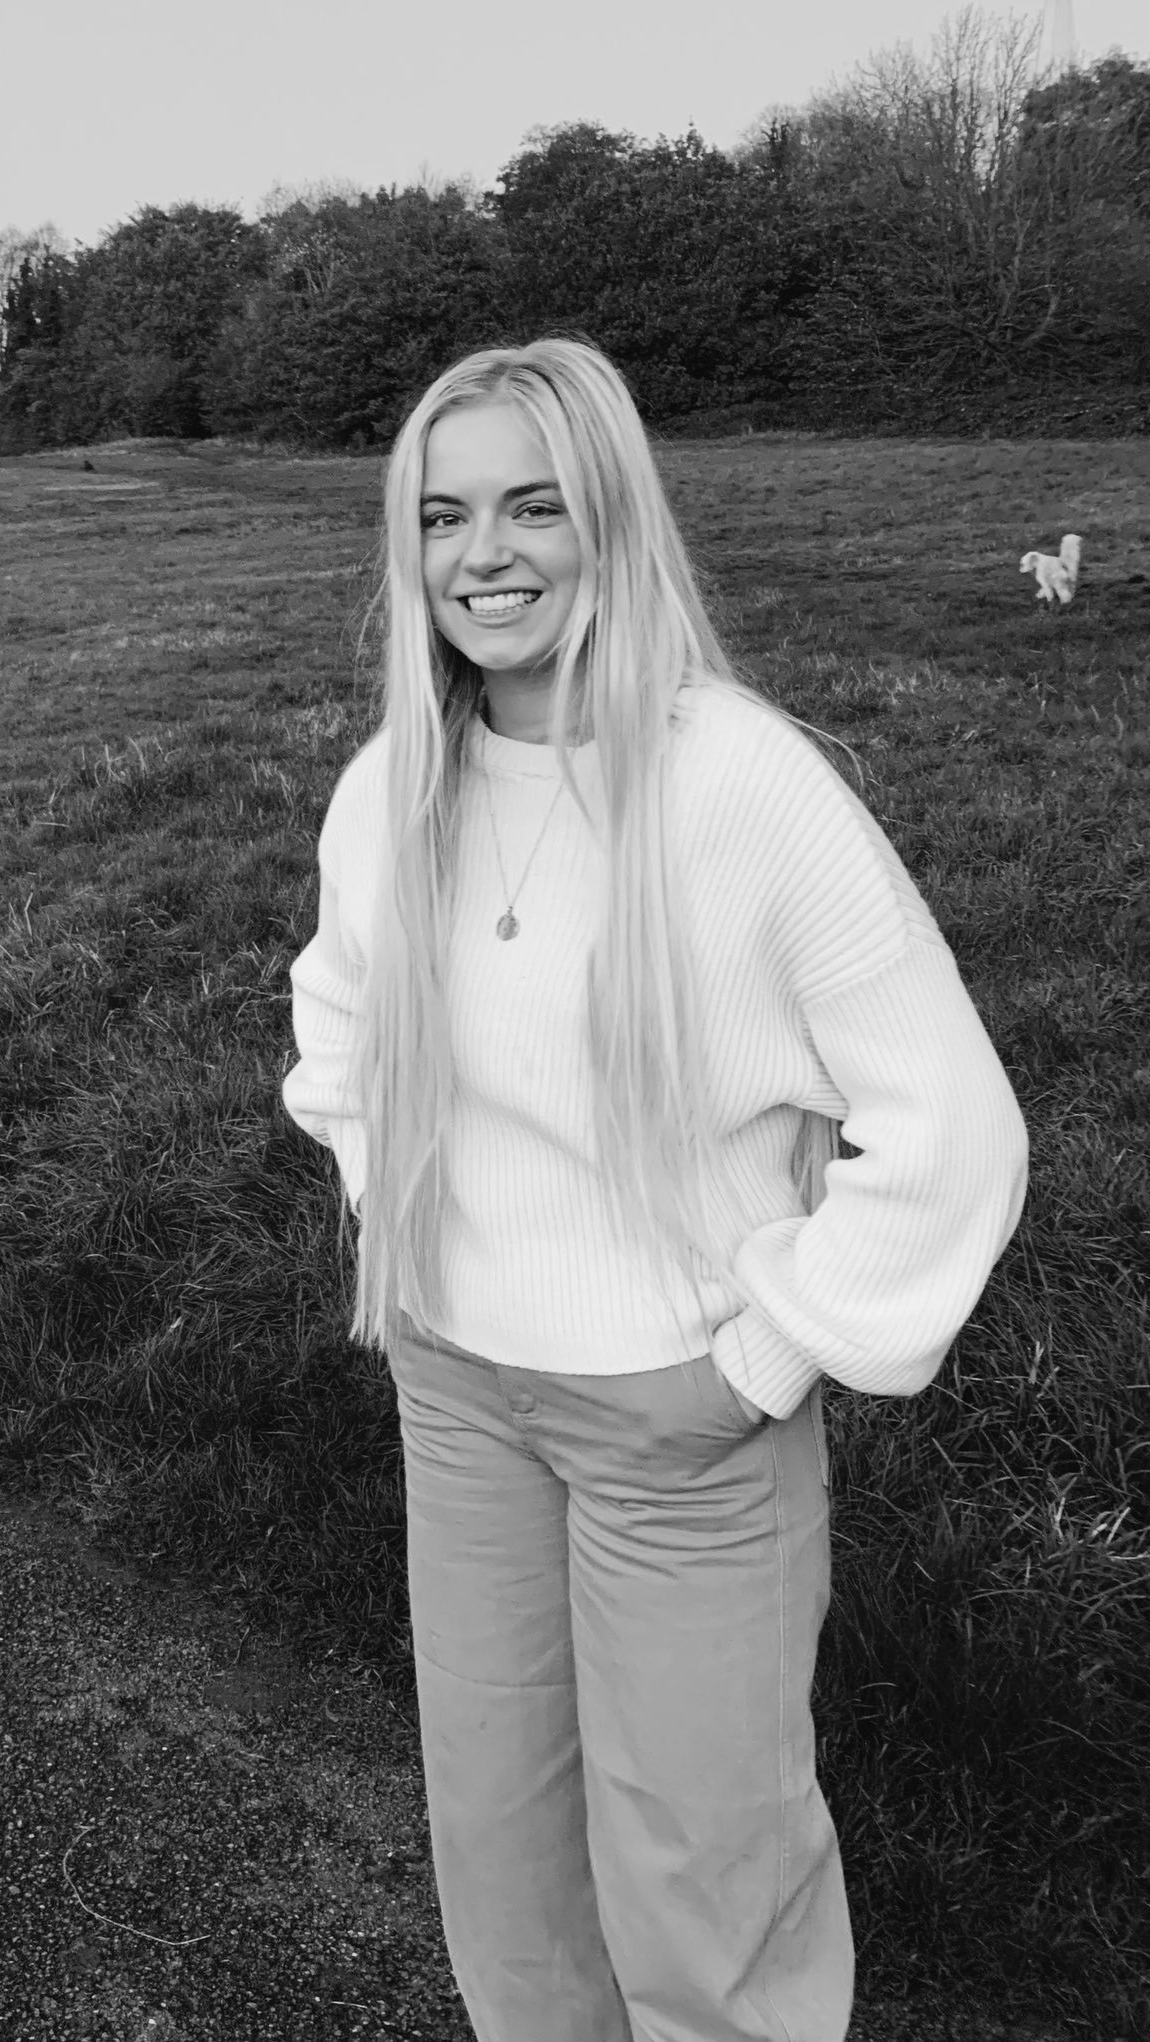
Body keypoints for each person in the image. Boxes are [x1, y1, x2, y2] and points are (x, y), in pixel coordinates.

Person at [281, 339, 1028, 2042]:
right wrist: (412, 1247)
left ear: (612, 523)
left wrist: (761, 1357)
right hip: (459, 1395)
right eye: (445, 515)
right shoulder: (392, 786)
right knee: (506, 1856)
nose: (486, 554)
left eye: (535, 506)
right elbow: (339, 1035)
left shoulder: (739, 780)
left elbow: (955, 1128)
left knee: (703, 1888)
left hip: (679, 1421)